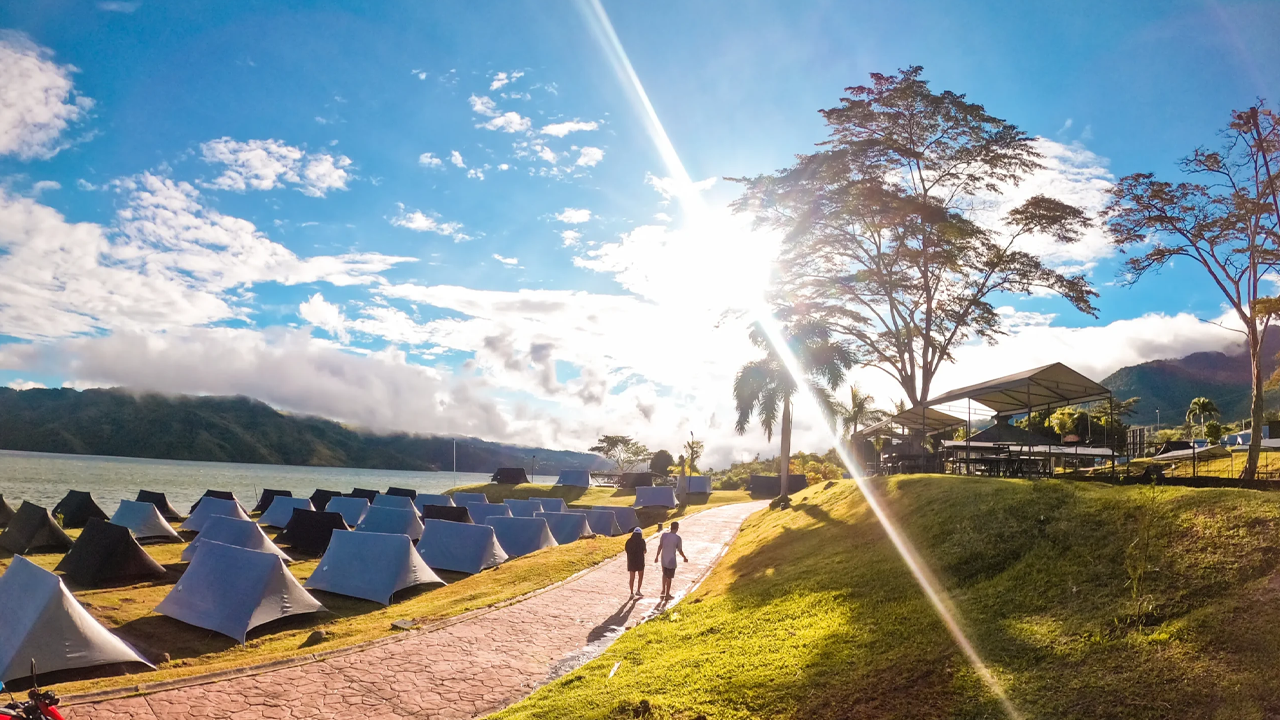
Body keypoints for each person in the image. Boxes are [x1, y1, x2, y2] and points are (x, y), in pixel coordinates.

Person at [653, 521, 688, 600]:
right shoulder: (678, 538)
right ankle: (667, 594)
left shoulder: (664, 535)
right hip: (671, 560)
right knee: (669, 577)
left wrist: (657, 556)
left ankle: (663, 590)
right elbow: (680, 550)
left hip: (663, 558)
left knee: (664, 574)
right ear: (677, 528)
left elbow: (660, 546)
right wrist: (684, 557)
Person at [624, 527, 646, 597]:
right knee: (640, 576)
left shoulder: (629, 541)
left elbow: (626, 550)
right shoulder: (642, 541)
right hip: (640, 561)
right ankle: (638, 590)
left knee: (632, 578)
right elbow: (644, 551)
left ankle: (631, 592)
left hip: (631, 561)